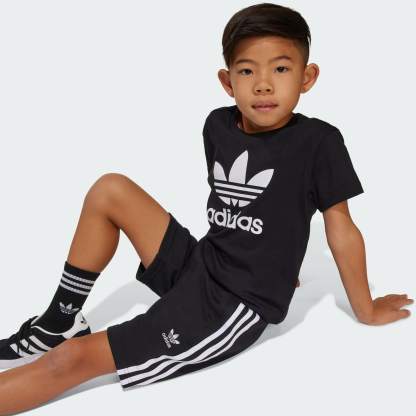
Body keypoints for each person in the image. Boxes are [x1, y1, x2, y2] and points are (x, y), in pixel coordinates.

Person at [0, 2, 413, 414]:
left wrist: (366, 309)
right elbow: (252, 211)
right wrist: (275, 258)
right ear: (227, 81)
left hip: (231, 305)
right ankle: (60, 320)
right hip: (202, 264)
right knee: (110, 189)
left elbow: (341, 229)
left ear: (307, 77)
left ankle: (61, 348)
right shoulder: (217, 125)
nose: (263, 85)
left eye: (280, 69)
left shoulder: (319, 142)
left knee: (71, 360)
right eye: (247, 71)